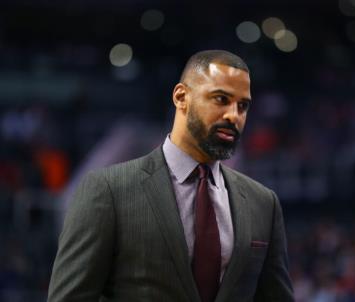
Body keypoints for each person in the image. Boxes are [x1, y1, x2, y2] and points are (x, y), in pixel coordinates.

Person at [48, 50, 294, 302]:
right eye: (220, 99)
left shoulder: (263, 202)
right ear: (181, 97)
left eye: (242, 105)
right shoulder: (107, 190)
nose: (234, 115)